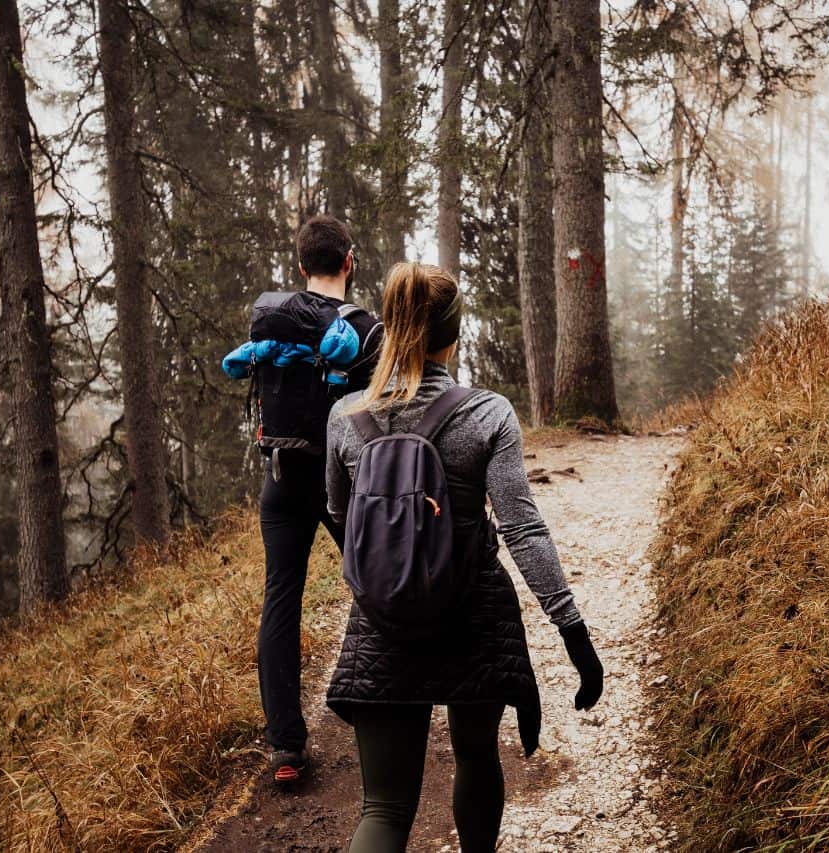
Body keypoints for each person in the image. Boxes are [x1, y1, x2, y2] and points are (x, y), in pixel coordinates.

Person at [324, 262, 604, 852]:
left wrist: (388, 570)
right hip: (471, 614)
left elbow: (341, 514)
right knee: (477, 758)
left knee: (384, 807)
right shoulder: (487, 413)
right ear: (453, 334)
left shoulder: (346, 418)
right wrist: (571, 629)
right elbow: (523, 527)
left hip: (383, 624)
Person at [236, 215, 382, 785]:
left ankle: (286, 749)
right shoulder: (366, 330)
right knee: (376, 581)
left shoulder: (273, 319)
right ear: (349, 261)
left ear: (302, 267)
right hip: (345, 481)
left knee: (281, 603)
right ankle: (386, 701)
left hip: (280, 476)